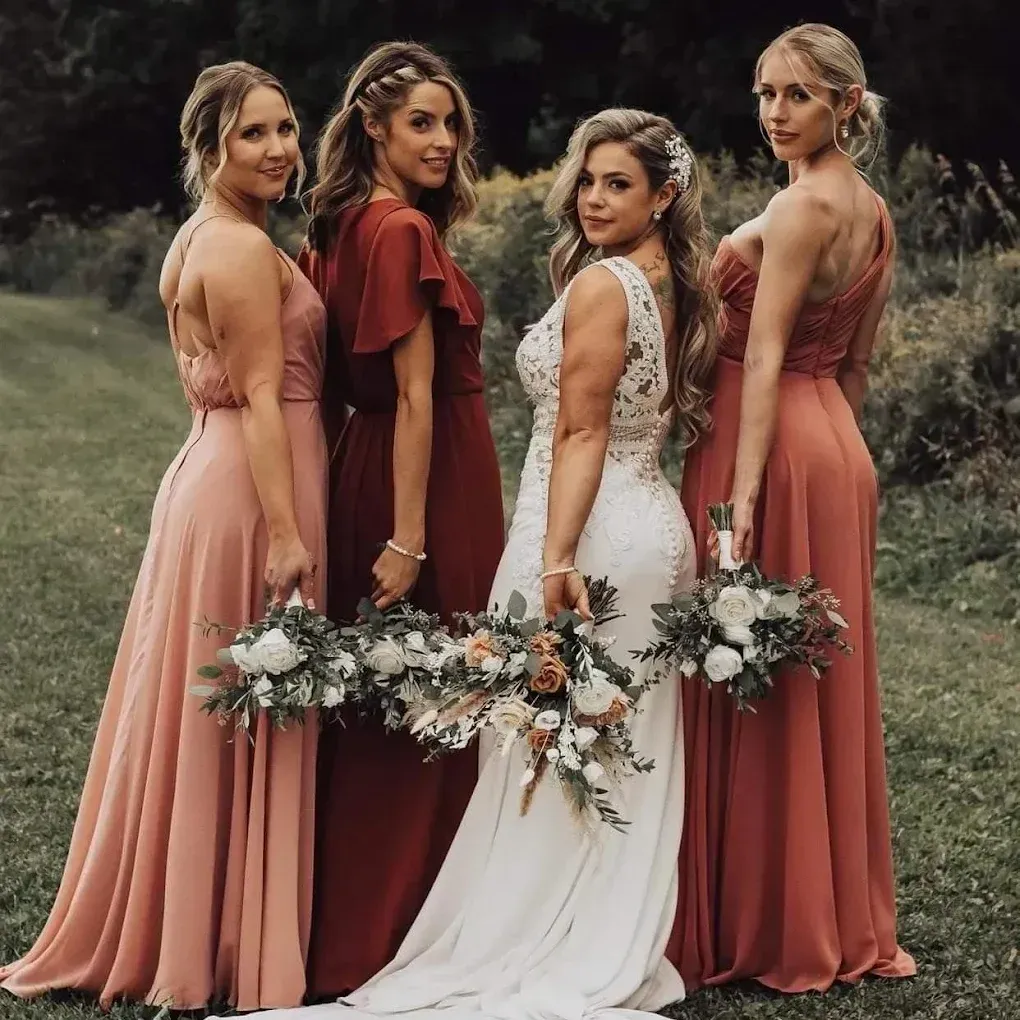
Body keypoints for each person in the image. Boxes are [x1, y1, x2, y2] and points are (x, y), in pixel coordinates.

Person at [234, 106, 716, 1020]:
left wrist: (556, 556)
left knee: (558, 743)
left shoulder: (608, 284)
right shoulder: (673, 278)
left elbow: (579, 428)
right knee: (609, 749)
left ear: (664, 195)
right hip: (650, 521)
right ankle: (607, 930)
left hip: (592, 532)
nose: (595, 197)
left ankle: (552, 940)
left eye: (620, 183)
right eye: (587, 178)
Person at [0, 62, 327, 1011]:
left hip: (216, 477)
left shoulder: (220, 235)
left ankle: (215, 922)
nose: (278, 149)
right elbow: (263, 396)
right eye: (253, 133)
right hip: (249, 496)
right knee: (236, 710)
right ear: (208, 147)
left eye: (286, 129)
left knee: (219, 712)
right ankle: (213, 942)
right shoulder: (228, 249)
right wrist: (286, 532)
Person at [669, 23, 917, 992]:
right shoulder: (876, 211)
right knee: (809, 680)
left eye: (798, 96)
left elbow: (765, 353)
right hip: (834, 447)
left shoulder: (807, 204)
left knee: (760, 674)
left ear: (846, 105)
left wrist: (743, 496)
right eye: (766, 93)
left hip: (764, 443)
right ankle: (824, 911)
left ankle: (771, 924)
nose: (775, 113)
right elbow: (850, 366)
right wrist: (838, 470)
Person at [296, 42, 505, 998]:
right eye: (421, 120)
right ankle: (409, 926)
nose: (443, 139)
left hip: (363, 471)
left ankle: (360, 921)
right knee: (438, 695)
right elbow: (417, 399)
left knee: (391, 703)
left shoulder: (338, 225)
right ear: (373, 125)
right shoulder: (397, 235)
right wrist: (411, 538)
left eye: (450, 121)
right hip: (426, 483)